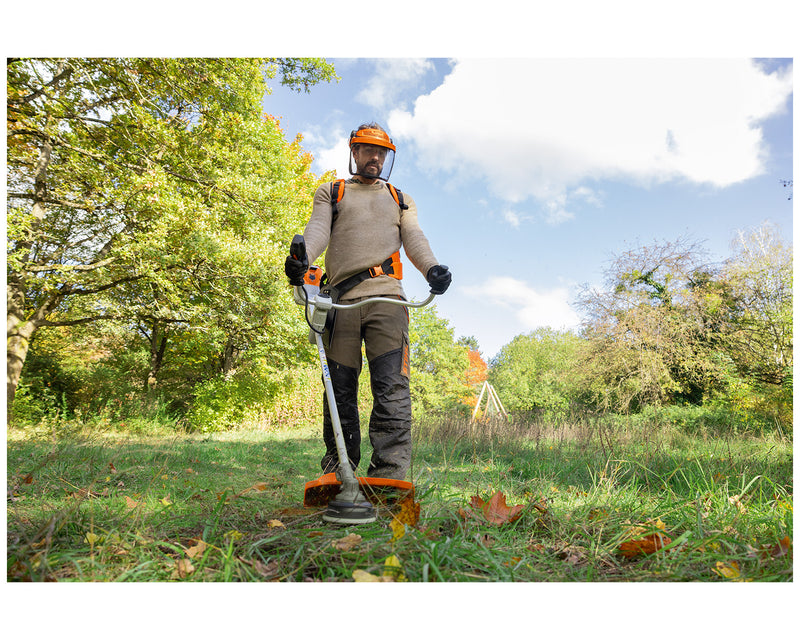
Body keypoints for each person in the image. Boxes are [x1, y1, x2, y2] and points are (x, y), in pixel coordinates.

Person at [285, 122, 451, 481]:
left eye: (381, 152)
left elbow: (415, 238)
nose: (375, 157)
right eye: (368, 150)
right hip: (340, 301)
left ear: (386, 157)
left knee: (392, 387)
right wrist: (303, 259)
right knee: (339, 390)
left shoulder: (400, 199)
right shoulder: (333, 192)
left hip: (387, 300)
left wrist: (432, 269)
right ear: (354, 152)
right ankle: (339, 471)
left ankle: (388, 476)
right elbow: (317, 231)